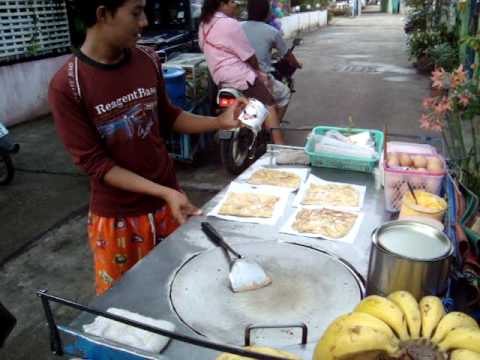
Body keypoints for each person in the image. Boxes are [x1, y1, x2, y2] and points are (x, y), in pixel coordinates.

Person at [48, 0, 245, 295]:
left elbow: (168, 116)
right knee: (126, 305)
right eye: (136, 13)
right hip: (118, 220)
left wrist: (219, 122)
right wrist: (163, 192)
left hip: (169, 205)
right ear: (103, 14)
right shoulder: (68, 85)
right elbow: (95, 165)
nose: (145, 23)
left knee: (179, 291)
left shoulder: (147, 59)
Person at [198, 0, 286, 144]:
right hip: (239, 76)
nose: (235, 5)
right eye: (232, 2)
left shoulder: (203, 24)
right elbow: (249, 56)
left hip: (219, 78)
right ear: (221, 3)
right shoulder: (229, 23)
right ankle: (281, 148)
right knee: (269, 104)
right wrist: (258, 71)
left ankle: (252, 126)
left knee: (251, 102)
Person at [242, 0, 302, 119]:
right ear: (266, 12)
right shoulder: (272, 31)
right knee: (285, 94)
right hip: (259, 79)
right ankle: (273, 127)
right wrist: (297, 64)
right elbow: (287, 55)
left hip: (236, 77)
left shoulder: (238, 26)